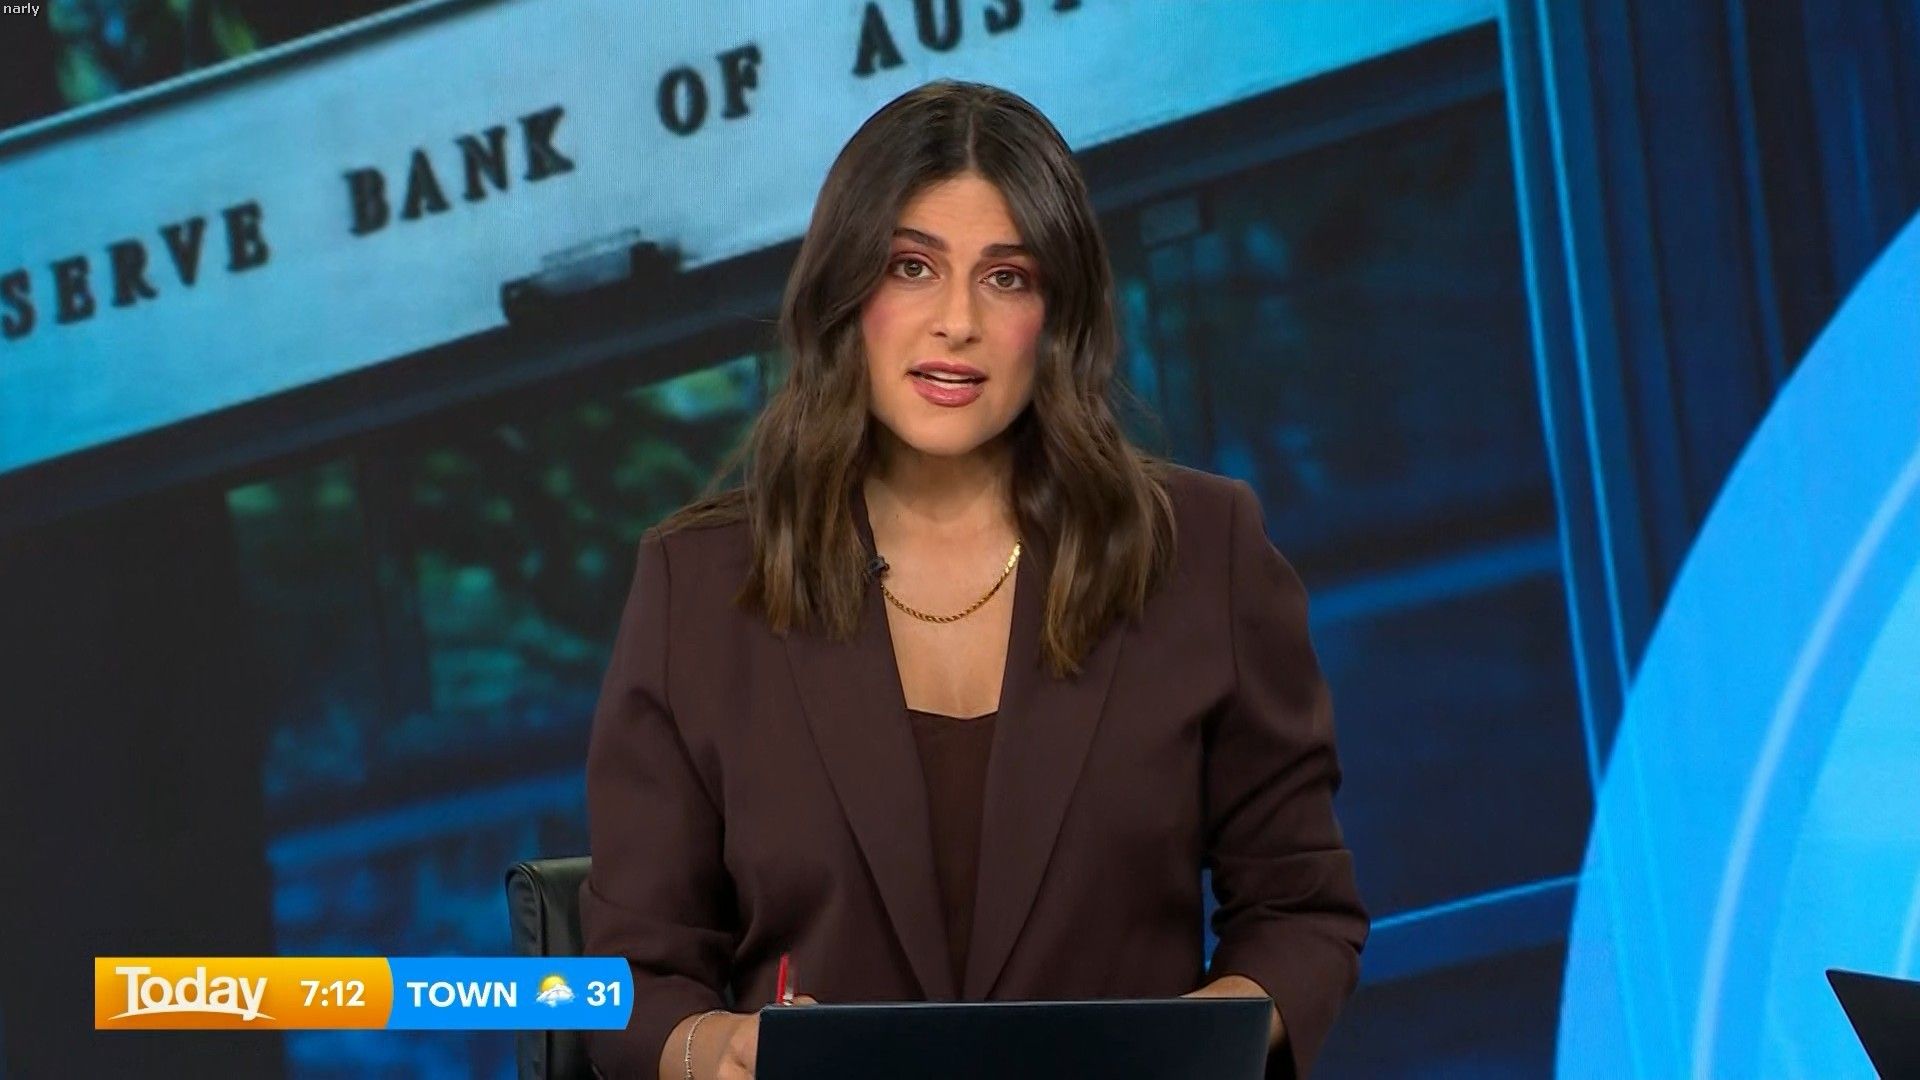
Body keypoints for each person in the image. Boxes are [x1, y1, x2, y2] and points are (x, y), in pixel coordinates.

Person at [579, 78, 1368, 1080]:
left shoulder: (1203, 551)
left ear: (1057, 314)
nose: (956, 321)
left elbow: (1301, 916)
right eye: (912, 267)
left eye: (1007, 277)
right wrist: (712, 1047)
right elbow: (623, 984)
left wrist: (1181, 1050)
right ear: (847, 294)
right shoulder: (696, 587)